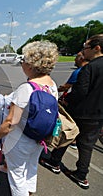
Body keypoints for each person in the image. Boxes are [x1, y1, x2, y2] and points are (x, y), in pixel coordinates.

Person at [0, 41, 59, 196]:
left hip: (20, 139)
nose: (21, 63)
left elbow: (11, 122)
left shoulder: (27, 88)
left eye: (23, 60)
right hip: (39, 138)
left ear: (31, 65)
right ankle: (30, 193)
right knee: (31, 168)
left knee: (17, 177)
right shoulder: (52, 84)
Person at [40, 34, 103, 190]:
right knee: (87, 145)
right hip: (99, 114)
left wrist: (66, 102)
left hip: (82, 112)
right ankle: (82, 174)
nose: (83, 51)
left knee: (67, 135)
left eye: (86, 47)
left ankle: (54, 162)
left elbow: (80, 92)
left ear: (97, 48)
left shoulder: (89, 68)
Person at [58, 51, 89, 149]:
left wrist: (55, 90)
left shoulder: (79, 71)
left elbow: (66, 86)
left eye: (76, 58)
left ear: (81, 58)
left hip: (76, 103)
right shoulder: (92, 70)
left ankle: (70, 139)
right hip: (90, 104)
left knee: (68, 120)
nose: (75, 60)